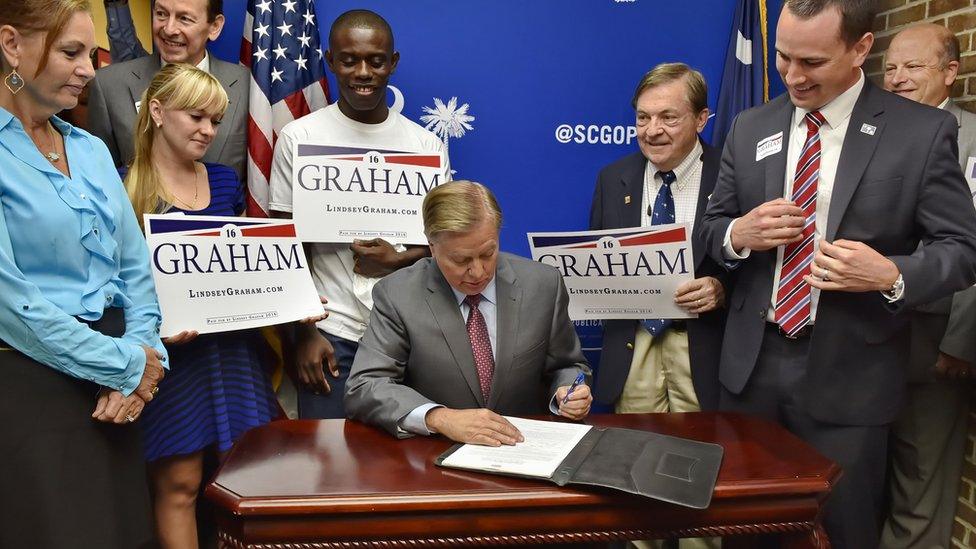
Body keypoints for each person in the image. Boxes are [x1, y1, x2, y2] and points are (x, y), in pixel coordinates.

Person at [698, 1, 976, 547]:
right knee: (746, 530)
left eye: (813, 61)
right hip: (750, 371)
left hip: (852, 374)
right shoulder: (751, 125)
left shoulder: (921, 133)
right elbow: (711, 227)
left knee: (841, 531)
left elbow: (962, 249)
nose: (794, 76)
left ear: (860, 49)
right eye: (782, 58)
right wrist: (737, 235)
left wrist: (890, 274)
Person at [0, 1, 167, 547]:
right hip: (31, 391)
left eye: (89, 53)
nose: (89, 70)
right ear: (11, 46)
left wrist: (146, 358)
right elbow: (11, 302)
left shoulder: (91, 148)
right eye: (71, 53)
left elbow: (136, 271)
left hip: (117, 394)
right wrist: (126, 363)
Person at [269, 9, 449, 419]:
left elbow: (446, 244)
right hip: (331, 336)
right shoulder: (300, 138)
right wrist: (304, 333)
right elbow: (285, 247)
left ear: (393, 63)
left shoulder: (425, 146)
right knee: (332, 467)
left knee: (406, 467)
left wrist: (399, 259)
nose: (363, 72)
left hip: (410, 335)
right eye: (349, 60)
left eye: (376, 60)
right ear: (331, 61)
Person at [344, 181, 592, 444]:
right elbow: (366, 385)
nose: (478, 272)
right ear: (431, 247)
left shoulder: (543, 284)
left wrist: (567, 393)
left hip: (524, 449)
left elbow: (568, 365)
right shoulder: (398, 294)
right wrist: (439, 418)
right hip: (437, 454)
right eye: (461, 260)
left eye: (488, 253)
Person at [880, 23, 976, 549]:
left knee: (920, 485)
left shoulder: (973, 140)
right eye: (891, 67)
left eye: (914, 67)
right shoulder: (875, 132)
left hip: (934, 347)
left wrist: (959, 343)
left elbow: (972, 250)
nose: (897, 79)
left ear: (950, 74)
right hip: (867, 341)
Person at [590, 63, 728, 417]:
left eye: (668, 117)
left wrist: (721, 288)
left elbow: (760, 265)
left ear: (701, 119)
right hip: (633, 346)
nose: (652, 131)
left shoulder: (732, 175)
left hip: (703, 349)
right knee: (632, 456)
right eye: (642, 118)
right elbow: (597, 265)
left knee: (704, 455)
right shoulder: (612, 179)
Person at [87, 0, 248, 179]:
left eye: (184, 18)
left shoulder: (247, 87)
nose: (169, 29)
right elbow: (101, 179)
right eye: (161, 14)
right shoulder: (109, 85)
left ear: (214, 26)